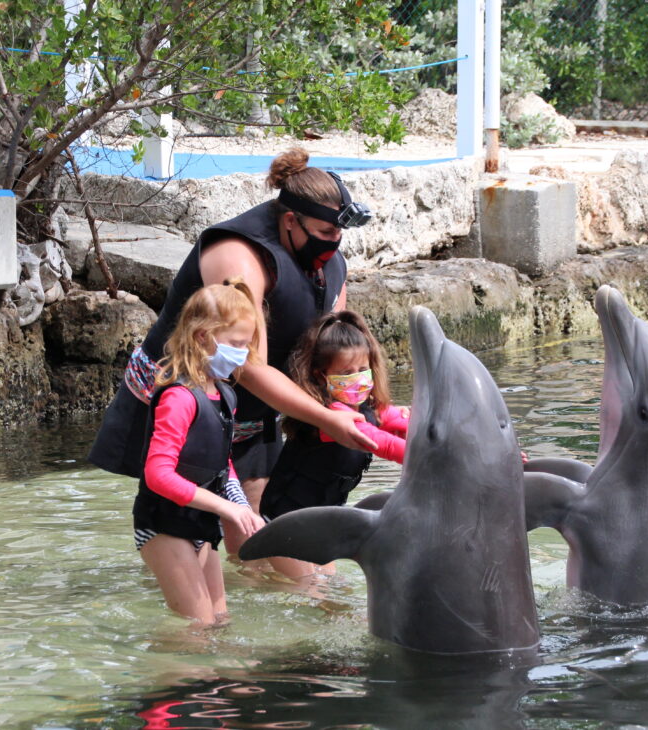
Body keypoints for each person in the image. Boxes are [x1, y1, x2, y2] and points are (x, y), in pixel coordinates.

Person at [89, 147, 379, 552]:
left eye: (339, 235)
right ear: (291, 220)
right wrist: (325, 420)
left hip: (254, 414)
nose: (334, 243)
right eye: (326, 232)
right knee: (188, 531)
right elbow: (245, 363)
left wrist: (363, 407)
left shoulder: (329, 260)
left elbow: (329, 347)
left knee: (258, 535)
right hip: (192, 405)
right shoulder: (237, 253)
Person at [134, 279, 267, 626]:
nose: (242, 353)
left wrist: (239, 505)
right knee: (198, 627)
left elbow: (222, 465)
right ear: (201, 337)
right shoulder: (179, 397)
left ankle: (215, 681)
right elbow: (158, 475)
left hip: (200, 524)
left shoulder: (225, 394)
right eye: (236, 343)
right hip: (164, 526)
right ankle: (176, 680)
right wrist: (224, 508)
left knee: (220, 621)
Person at [259, 310, 410, 578]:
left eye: (363, 370)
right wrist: (435, 459)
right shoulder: (330, 416)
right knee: (310, 591)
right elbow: (383, 444)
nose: (357, 377)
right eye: (346, 372)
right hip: (285, 522)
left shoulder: (368, 408)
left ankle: (252, 576)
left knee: (331, 590)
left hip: (321, 522)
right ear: (320, 376)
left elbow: (403, 422)